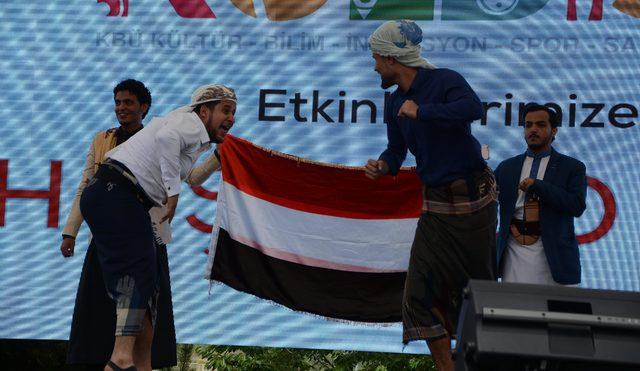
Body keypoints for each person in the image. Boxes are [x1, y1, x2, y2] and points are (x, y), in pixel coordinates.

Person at [68, 82, 234, 371]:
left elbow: (191, 177)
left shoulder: (192, 137)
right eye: (226, 110)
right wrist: (173, 194)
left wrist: (217, 159)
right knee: (141, 272)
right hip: (116, 194)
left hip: (115, 199)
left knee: (149, 288)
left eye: (234, 112)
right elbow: (168, 141)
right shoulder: (188, 122)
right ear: (204, 111)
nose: (232, 118)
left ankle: (140, 364)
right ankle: (120, 358)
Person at [363, 20, 497, 371]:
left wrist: (424, 112)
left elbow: (473, 109)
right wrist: (383, 165)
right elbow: (397, 150)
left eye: (377, 58)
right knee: (417, 295)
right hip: (435, 206)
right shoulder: (394, 104)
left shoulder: (445, 81)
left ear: (393, 59)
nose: (374, 65)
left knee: (480, 294)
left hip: (475, 205)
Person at [495, 103, 587, 285]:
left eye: (540, 125)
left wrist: (539, 186)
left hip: (552, 254)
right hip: (513, 251)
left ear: (554, 130)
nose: (533, 130)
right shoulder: (507, 167)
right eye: (528, 125)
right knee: (511, 309)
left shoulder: (572, 167)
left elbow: (576, 206)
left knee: (553, 311)